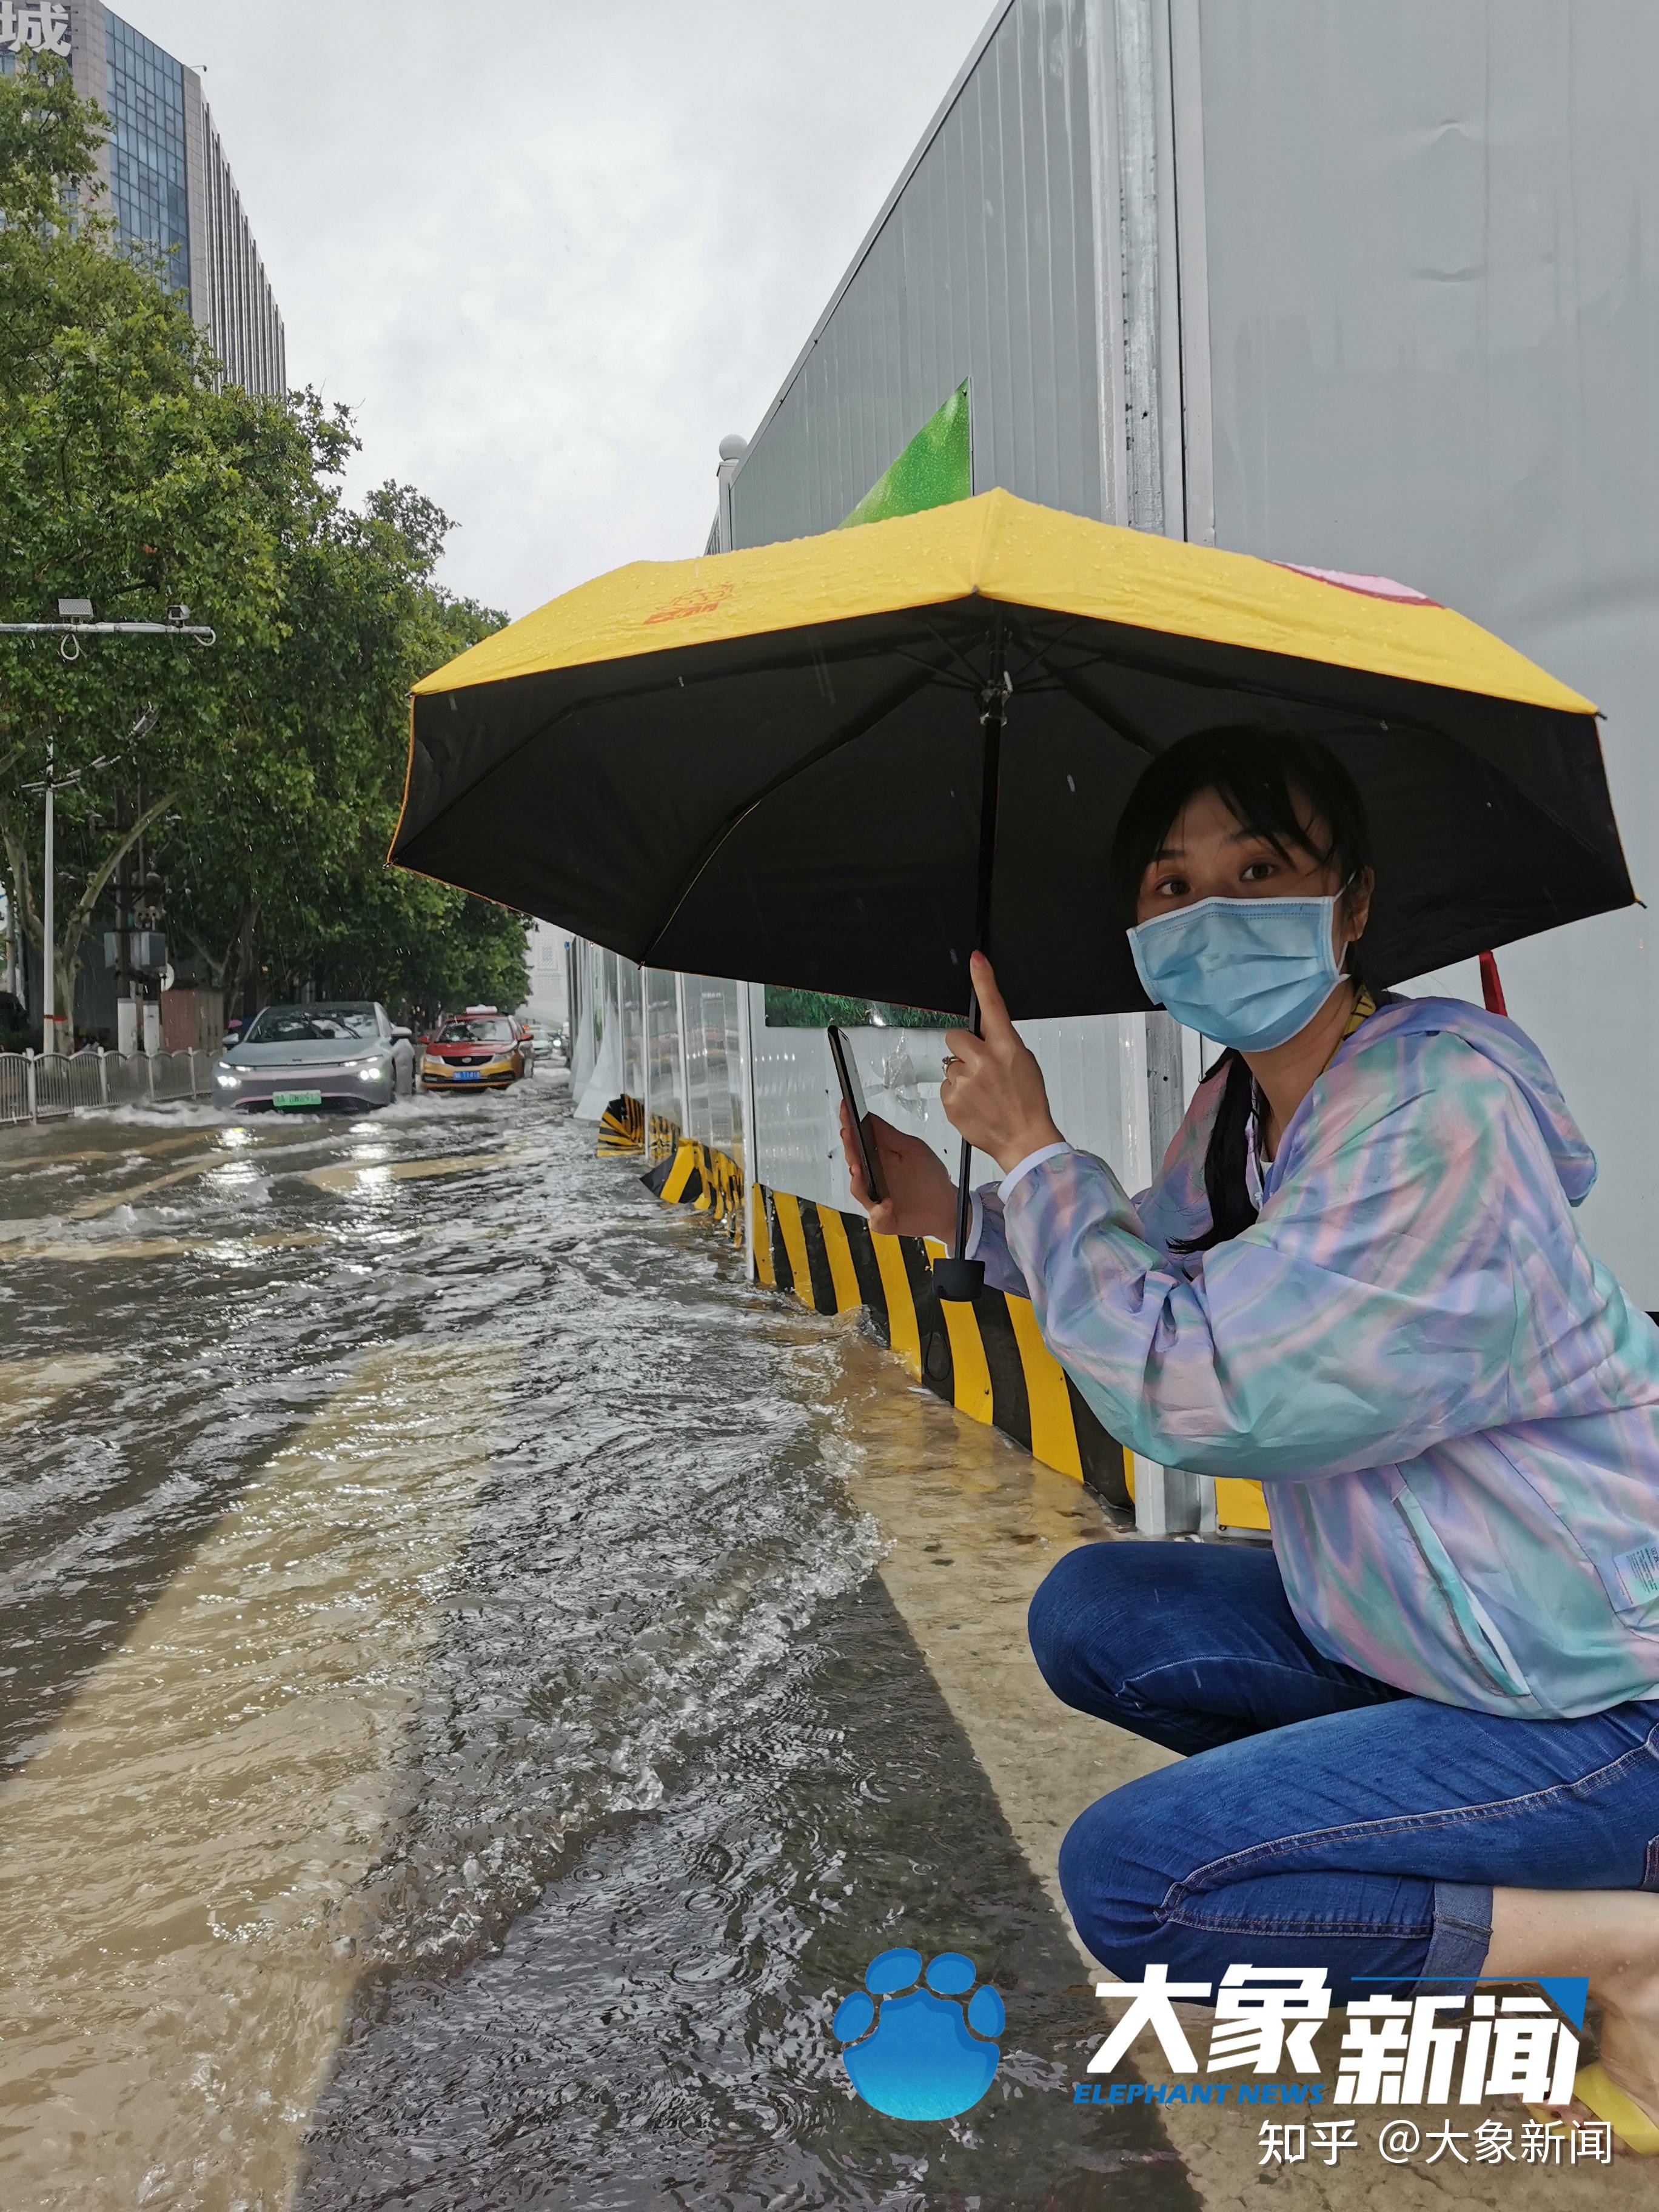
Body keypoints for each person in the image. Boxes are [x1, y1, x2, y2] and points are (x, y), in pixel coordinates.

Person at [842, 726, 1659, 2148]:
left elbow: (1203, 1383)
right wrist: (963, 1212)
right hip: (1426, 1636)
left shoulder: (1437, 1116)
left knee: (1139, 1887)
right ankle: (1469, 1879)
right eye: (1171, 885)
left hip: (1596, 1695)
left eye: (1258, 869)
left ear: (1348, 908)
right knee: (1100, 1608)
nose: (1209, 912)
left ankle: (1623, 1945)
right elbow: (1141, 1273)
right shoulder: (1242, 1111)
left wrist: (1035, 1153)